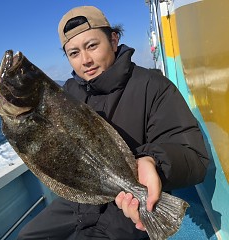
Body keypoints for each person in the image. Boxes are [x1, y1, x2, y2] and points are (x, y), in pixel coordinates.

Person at [18, 5, 209, 240]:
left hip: (124, 207)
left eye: (92, 46)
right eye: (74, 53)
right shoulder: (67, 93)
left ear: (114, 39)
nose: (85, 60)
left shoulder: (154, 86)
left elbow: (193, 157)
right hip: (78, 203)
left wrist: (152, 162)